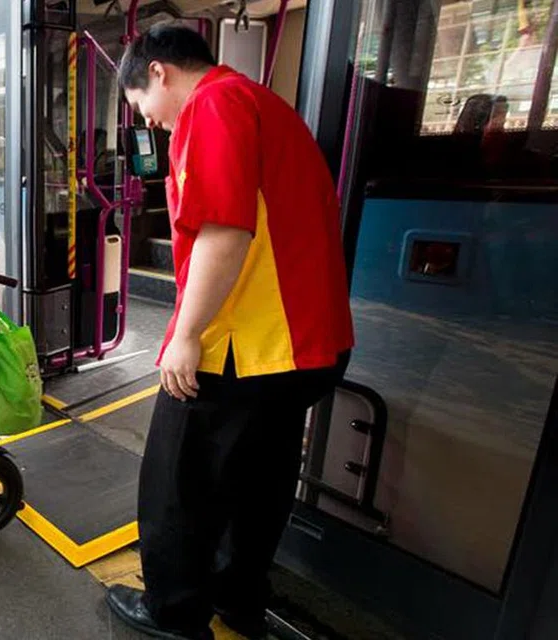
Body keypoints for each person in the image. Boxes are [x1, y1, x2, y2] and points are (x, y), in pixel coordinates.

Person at [105, 25, 354, 640]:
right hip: (307, 345)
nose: (152, 124)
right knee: (261, 481)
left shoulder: (212, 105)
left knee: (177, 483)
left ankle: (174, 614)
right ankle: (240, 600)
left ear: (159, 71)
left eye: (143, 107)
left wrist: (186, 335)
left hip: (245, 344)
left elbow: (223, 230)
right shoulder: (266, 104)